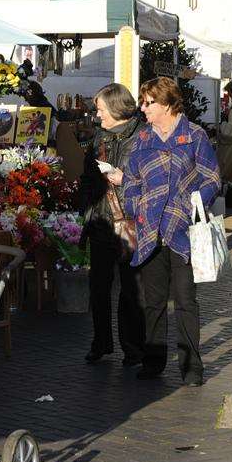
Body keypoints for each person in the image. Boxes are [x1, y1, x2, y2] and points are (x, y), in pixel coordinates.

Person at [123, 77, 221, 384]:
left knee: (185, 301)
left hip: (183, 231)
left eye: (148, 102)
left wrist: (196, 202)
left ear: (167, 103)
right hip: (150, 230)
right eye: (143, 102)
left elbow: (212, 179)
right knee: (153, 302)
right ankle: (153, 362)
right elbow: (130, 181)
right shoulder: (141, 139)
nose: (143, 108)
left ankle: (192, 367)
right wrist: (137, 207)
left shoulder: (193, 136)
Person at [79, 83, 145, 366]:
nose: (98, 115)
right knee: (99, 286)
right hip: (102, 222)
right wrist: (86, 209)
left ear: (117, 109)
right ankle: (101, 341)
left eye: (101, 109)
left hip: (131, 221)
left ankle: (132, 348)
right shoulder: (99, 138)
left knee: (131, 288)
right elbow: (86, 178)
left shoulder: (143, 137)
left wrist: (125, 180)